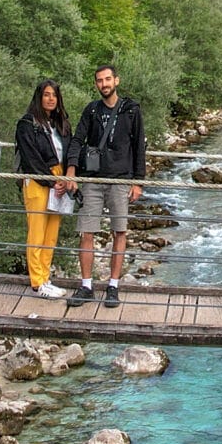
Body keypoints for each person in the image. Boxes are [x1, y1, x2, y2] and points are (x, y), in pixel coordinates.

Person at [71, 62, 145, 305]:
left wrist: (138, 182)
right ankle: (86, 286)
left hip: (120, 179)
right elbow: (77, 139)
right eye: (100, 80)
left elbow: (139, 146)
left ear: (116, 81)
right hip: (93, 179)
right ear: (96, 84)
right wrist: (71, 170)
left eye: (107, 79)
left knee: (119, 231)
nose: (104, 84)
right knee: (87, 232)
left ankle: (113, 286)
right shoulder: (91, 110)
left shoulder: (131, 110)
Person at [14, 80, 74, 299]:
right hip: (38, 180)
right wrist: (51, 181)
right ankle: (37, 282)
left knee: (51, 233)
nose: (51, 99)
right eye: (47, 95)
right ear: (39, 97)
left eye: (54, 95)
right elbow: (30, 157)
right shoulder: (27, 124)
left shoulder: (61, 124)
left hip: (60, 179)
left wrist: (67, 178)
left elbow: (70, 150)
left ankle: (46, 277)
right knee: (37, 231)